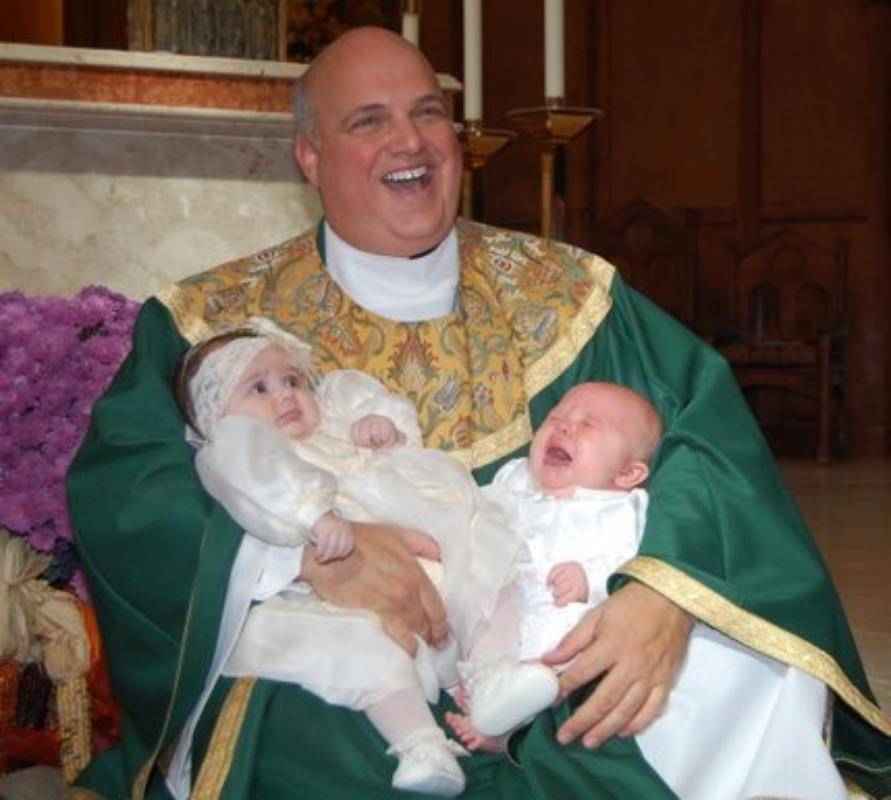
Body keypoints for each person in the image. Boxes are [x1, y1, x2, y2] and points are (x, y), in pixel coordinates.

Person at [67, 25, 891, 800]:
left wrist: (659, 595)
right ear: (309, 158)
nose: (411, 142)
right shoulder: (213, 323)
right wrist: (303, 557)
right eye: (369, 121)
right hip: (351, 665)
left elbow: (706, 442)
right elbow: (129, 493)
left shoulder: (570, 295)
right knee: (302, 743)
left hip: (558, 634)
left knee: (715, 684)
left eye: (430, 114)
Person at [167, 316, 550, 797]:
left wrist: (380, 426)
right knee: (365, 648)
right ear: (213, 418)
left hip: (432, 552)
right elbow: (258, 477)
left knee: (494, 559)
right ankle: (420, 746)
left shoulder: (336, 418)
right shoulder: (243, 444)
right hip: (343, 583)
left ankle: (494, 676)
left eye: (292, 380)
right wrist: (313, 515)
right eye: (258, 388)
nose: (285, 395)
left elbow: (376, 410)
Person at [446, 381, 848, 799]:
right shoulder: (513, 481)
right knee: (480, 629)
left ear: (627, 474)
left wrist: (592, 576)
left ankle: (511, 731)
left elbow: (636, 561)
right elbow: (474, 517)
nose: (563, 428)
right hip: (510, 608)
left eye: (588, 425)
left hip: (570, 623)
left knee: (562, 666)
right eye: (556, 419)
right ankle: (489, 700)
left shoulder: (621, 509)